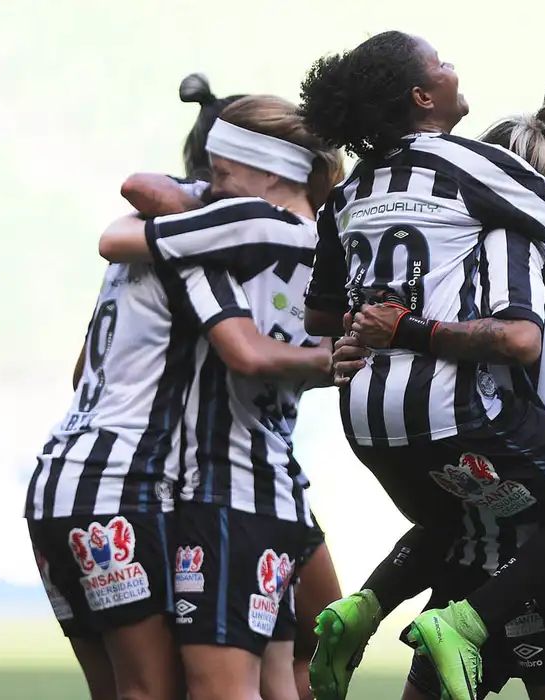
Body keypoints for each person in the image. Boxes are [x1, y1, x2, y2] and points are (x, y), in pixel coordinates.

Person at [298, 31, 545, 700]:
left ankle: (367, 605)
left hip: (370, 415)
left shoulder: (353, 191)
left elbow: (320, 316)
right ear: (423, 96)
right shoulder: (484, 189)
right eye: (443, 64)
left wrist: (362, 331)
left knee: (459, 513)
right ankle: (467, 622)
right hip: (474, 436)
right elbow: (541, 318)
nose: (455, 69)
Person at [96, 92, 346, 700]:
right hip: (276, 484)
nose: (212, 186)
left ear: (269, 173)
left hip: (221, 490)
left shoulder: (243, 223)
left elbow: (117, 232)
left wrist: (184, 205)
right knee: (285, 676)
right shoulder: (328, 244)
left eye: (223, 174)